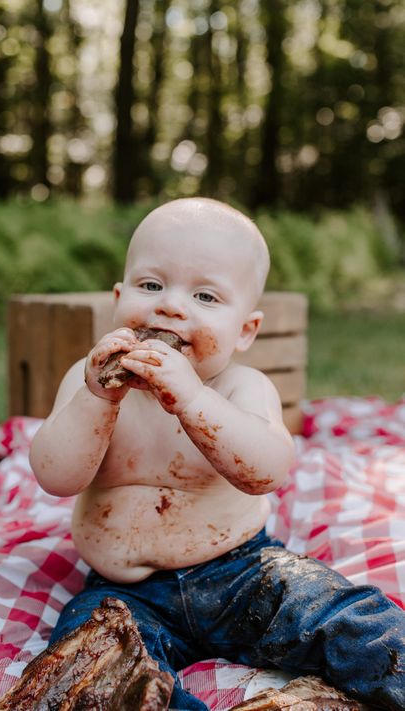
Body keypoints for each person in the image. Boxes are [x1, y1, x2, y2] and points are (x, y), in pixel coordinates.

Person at [30, 198, 405, 710]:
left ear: (245, 330)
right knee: (90, 663)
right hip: (126, 593)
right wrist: (97, 399)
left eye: (205, 295)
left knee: (344, 617)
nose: (170, 307)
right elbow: (57, 476)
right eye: (151, 286)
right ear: (118, 299)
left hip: (243, 574)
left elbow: (266, 471)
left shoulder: (240, 387)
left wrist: (191, 398)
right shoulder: (89, 382)